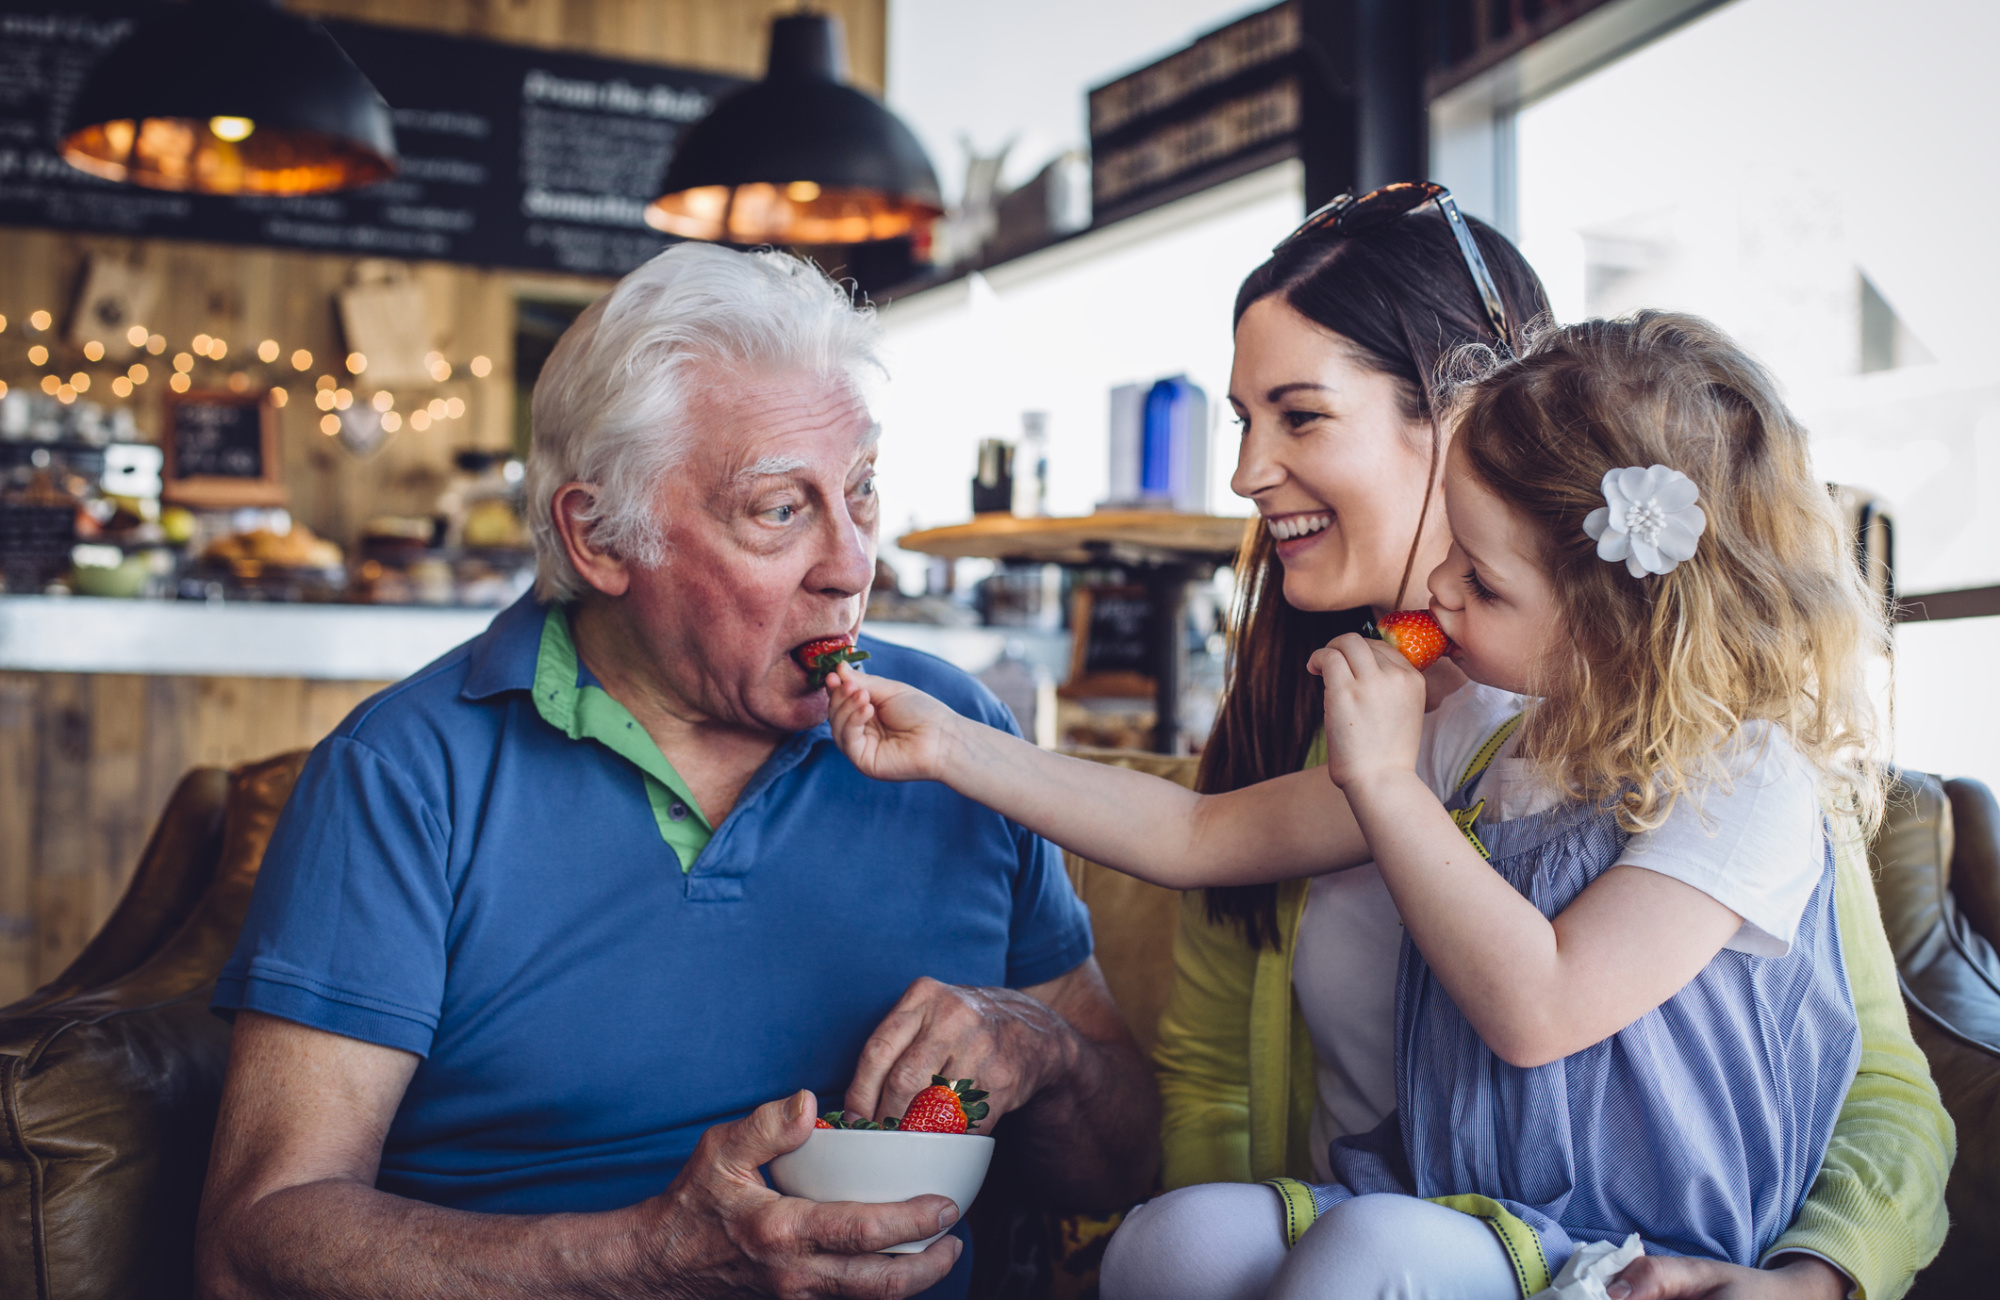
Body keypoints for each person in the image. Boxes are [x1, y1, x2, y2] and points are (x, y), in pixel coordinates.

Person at [822, 311, 1888, 1292]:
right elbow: (1198, 834)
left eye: (1480, 579)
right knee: (1170, 1240)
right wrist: (958, 747)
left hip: (1635, 1241)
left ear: (1617, 618)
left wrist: (1382, 779)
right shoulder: (1477, 736)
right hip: (1459, 1201)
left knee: (1367, 1255)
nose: (1437, 596)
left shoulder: (1742, 779)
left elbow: (1539, 1010)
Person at [193, 244, 1159, 1300]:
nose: (850, 564)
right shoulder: (403, 779)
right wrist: (646, 1258)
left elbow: (1121, 1164)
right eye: (778, 510)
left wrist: (1044, 1051)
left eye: (860, 490)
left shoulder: (955, 736)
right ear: (600, 536)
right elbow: (255, 1237)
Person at [1150, 189, 1947, 1300]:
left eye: (1299, 415)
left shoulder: (1702, 744)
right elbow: (1209, 1084)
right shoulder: (1310, 718)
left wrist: (1813, 1279)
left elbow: (1879, 1091)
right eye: (1242, 420)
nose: (1243, 474)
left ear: (1462, 407)